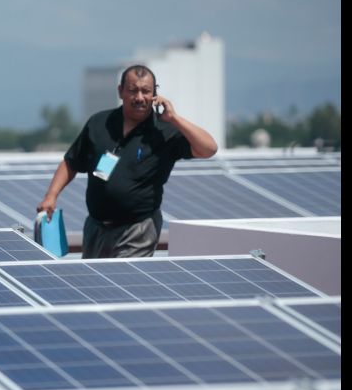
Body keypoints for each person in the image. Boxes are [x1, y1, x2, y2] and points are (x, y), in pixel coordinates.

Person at [36, 64, 218, 258]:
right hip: (96, 227)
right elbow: (71, 162)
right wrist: (51, 196)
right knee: (92, 285)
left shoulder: (164, 131)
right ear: (120, 91)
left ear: (155, 94)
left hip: (138, 229)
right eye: (133, 91)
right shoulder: (99, 123)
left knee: (121, 281)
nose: (139, 97)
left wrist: (174, 118)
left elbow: (209, 149)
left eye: (146, 91)